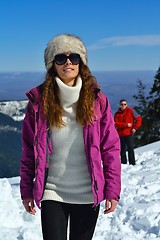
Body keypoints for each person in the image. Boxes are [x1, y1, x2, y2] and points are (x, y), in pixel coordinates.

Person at [20, 33, 121, 240]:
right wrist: (26, 190)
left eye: (74, 57)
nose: (68, 62)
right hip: (52, 192)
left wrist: (112, 190)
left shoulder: (97, 100)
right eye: (60, 58)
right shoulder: (39, 103)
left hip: (87, 193)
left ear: (81, 63)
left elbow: (110, 148)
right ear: (52, 65)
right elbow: (29, 150)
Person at [114, 99, 142, 165]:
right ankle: (123, 163)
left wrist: (135, 128)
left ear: (127, 105)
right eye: (122, 104)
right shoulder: (116, 114)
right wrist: (126, 125)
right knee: (122, 150)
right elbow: (116, 124)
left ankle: (132, 163)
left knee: (130, 149)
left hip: (129, 133)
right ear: (119, 105)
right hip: (120, 134)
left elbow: (139, 119)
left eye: (124, 104)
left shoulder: (131, 111)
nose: (123, 105)